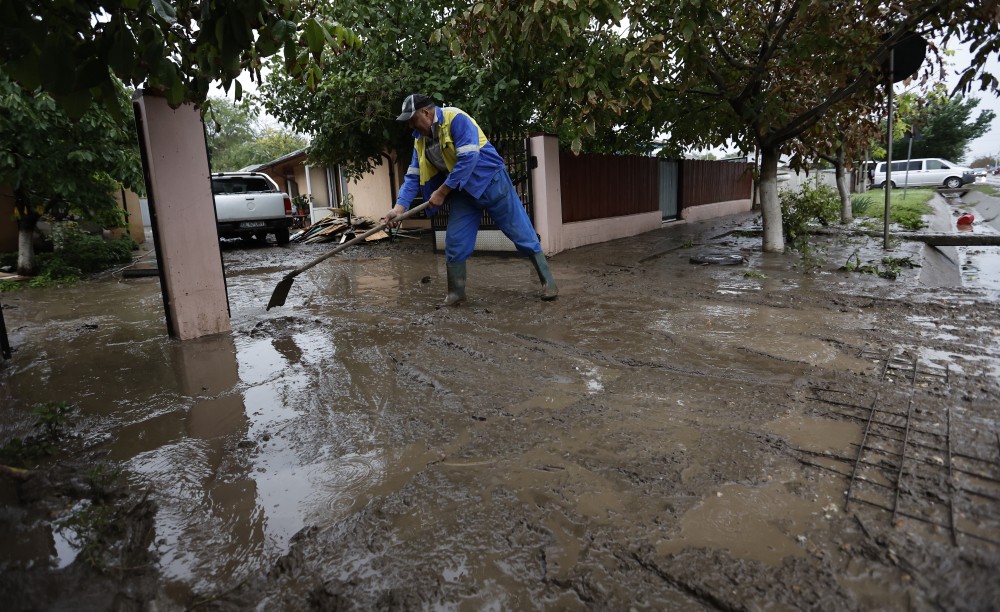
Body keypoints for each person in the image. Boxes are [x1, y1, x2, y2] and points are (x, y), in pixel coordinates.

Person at [382, 94, 557, 306]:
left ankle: (548, 282)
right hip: (463, 192)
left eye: (412, 119)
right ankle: (456, 293)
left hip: (491, 182)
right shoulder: (419, 141)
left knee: (519, 231)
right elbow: (412, 176)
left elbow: (468, 159)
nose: (410, 125)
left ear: (426, 113)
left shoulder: (456, 119)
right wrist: (399, 208)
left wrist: (442, 191)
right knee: (455, 241)